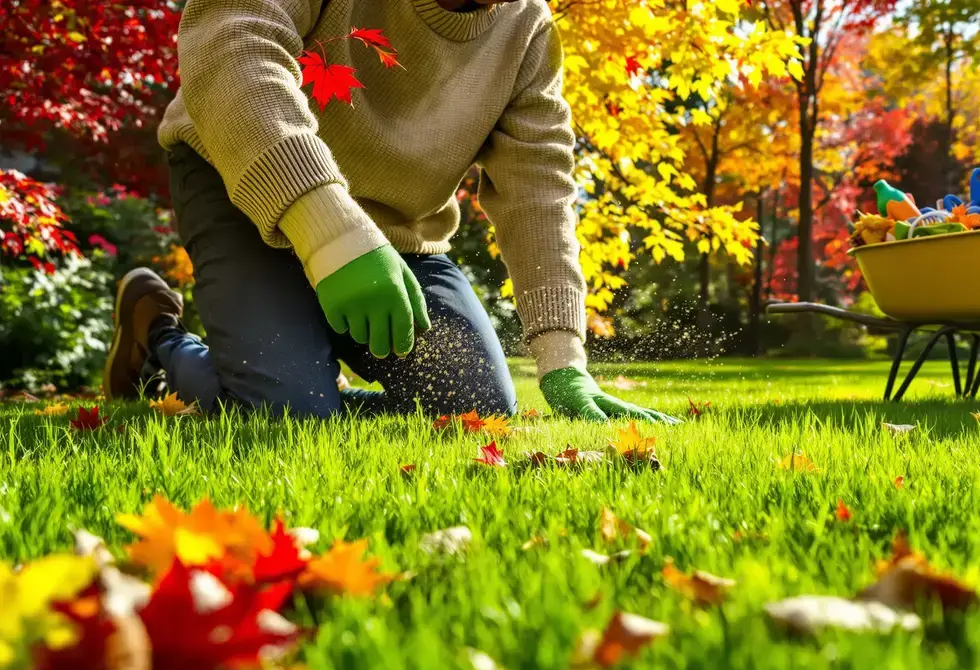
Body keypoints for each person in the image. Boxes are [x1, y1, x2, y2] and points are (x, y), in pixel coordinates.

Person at [102, 0, 676, 423]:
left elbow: (540, 193)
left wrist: (561, 356)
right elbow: (232, 44)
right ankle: (158, 337)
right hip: (242, 186)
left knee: (471, 411)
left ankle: (297, 387)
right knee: (286, 417)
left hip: (397, 234)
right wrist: (328, 233)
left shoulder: (526, 30)